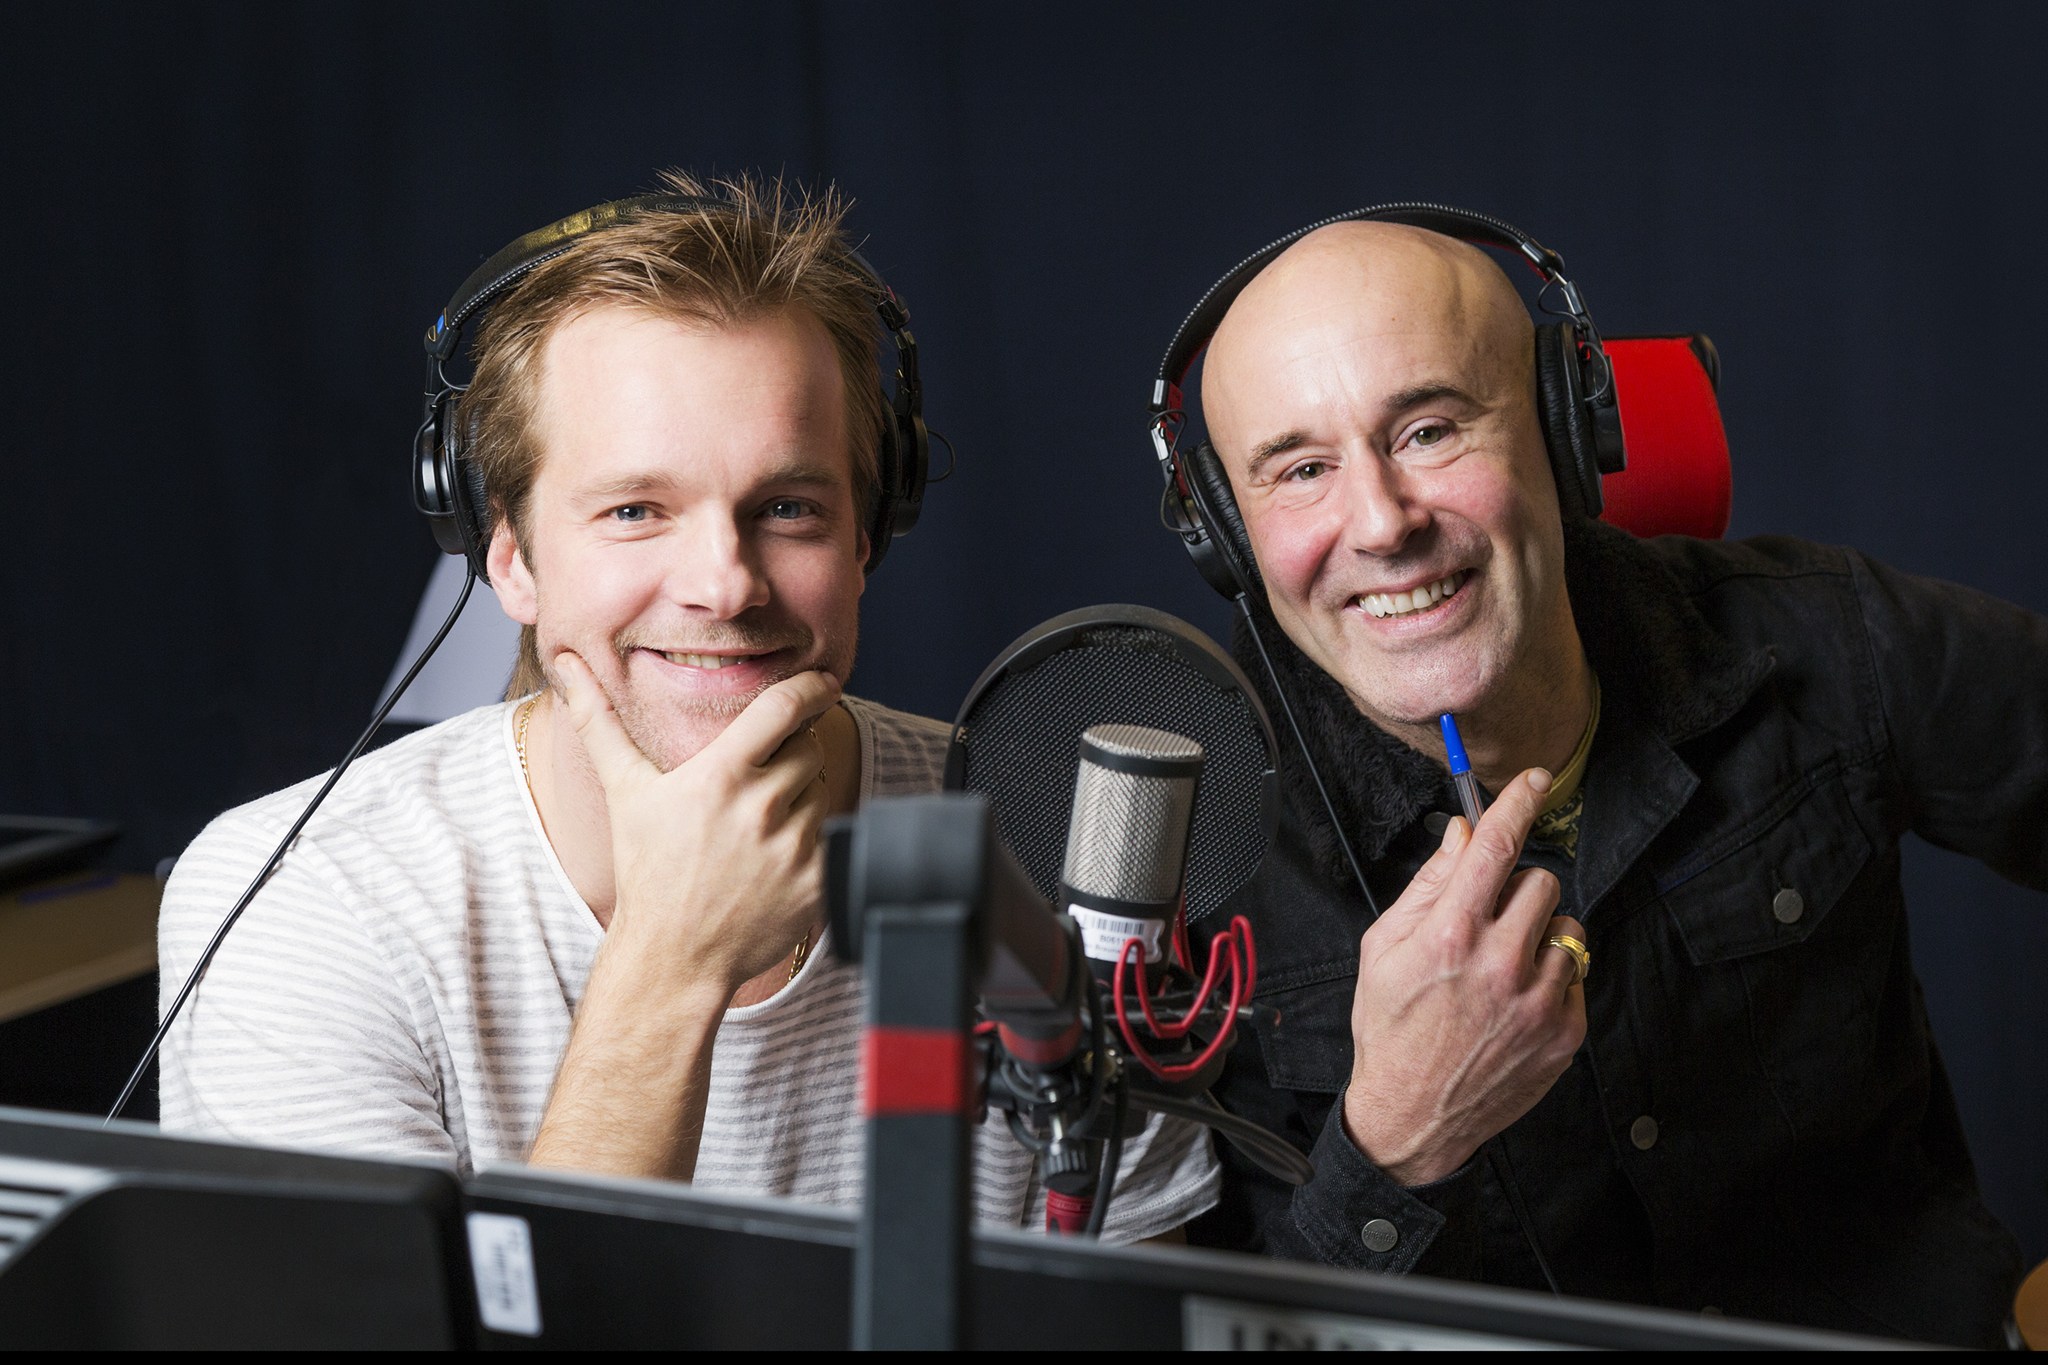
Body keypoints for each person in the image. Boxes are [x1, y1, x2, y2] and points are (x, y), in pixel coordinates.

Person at [157, 173, 1216, 1242]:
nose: (725, 585)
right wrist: (672, 958)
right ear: (508, 558)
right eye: (635, 510)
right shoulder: (302, 899)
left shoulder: (1056, 848)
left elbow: (1134, 1301)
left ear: (866, 536)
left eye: (787, 507)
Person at [1172, 217, 2043, 1345]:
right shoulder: (1187, 852)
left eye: (1430, 430)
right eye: (1301, 471)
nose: (1382, 523)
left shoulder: (1824, 639)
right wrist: (1394, 1141)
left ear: (1566, 429)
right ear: (1226, 535)